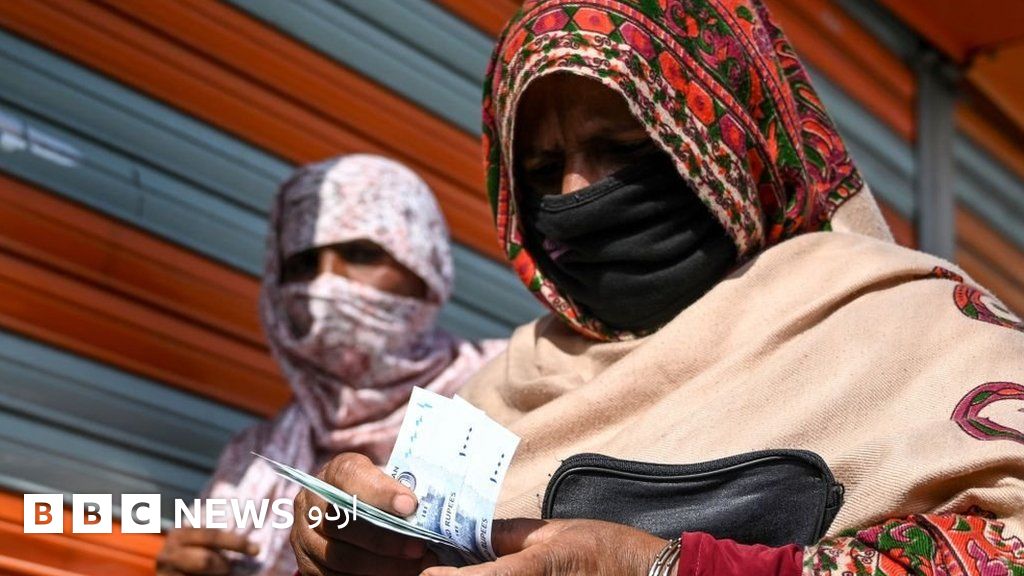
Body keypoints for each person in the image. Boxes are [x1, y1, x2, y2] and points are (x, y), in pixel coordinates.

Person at [290, 1, 1024, 575]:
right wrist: (345, 550)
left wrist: (666, 567)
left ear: (732, 141)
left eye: (621, 149)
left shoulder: (909, 330)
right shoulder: (496, 398)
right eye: (541, 171)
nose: (575, 194)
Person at [156, 154, 506, 576]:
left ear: (425, 266)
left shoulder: (508, 391)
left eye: (360, 253)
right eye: (303, 264)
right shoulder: (254, 456)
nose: (324, 283)